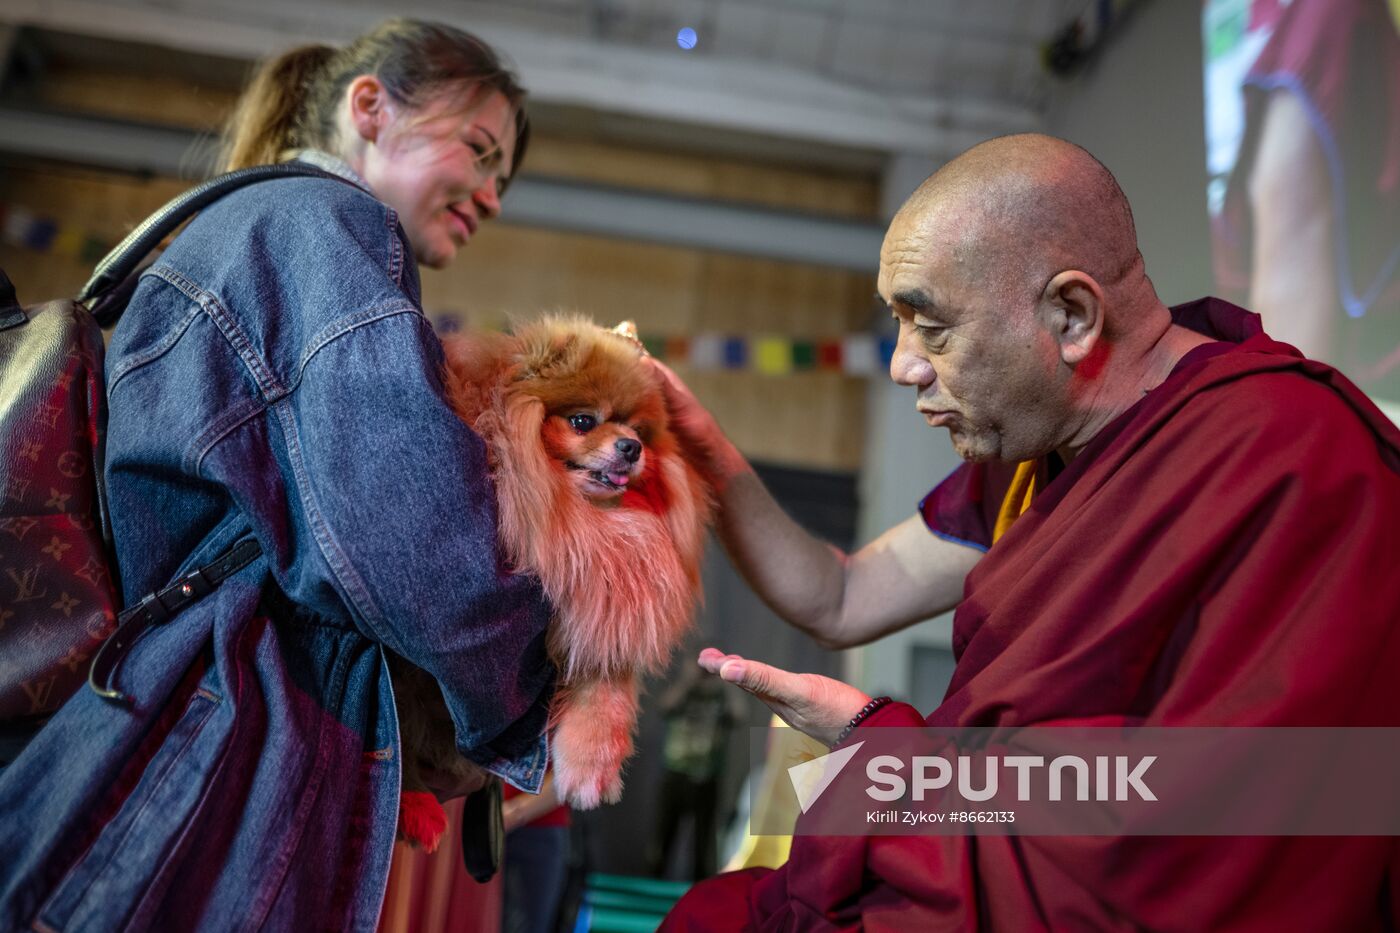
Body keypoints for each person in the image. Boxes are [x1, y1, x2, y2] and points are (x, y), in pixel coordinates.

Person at [657, 133, 1400, 929]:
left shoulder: (1293, 459)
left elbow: (1233, 828)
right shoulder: (1032, 453)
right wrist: (701, 446)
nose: (904, 365)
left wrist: (891, 759)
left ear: (1072, 315)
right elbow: (841, 594)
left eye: (931, 327)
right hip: (993, 856)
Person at [0, 20, 556, 931]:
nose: (492, 194)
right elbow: (414, 542)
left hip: (133, 761)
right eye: (479, 150)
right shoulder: (326, 230)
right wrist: (544, 697)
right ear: (370, 107)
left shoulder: (234, 228)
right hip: (185, 783)